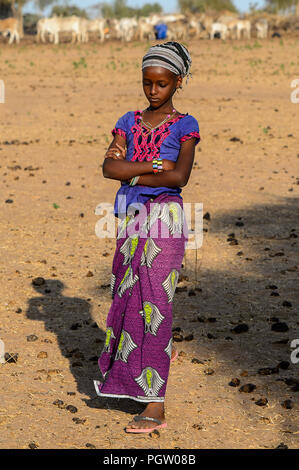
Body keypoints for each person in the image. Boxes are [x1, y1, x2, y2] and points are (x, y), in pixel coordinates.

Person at [94, 41, 200, 434]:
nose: (153, 91)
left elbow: (179, 177)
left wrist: (131, 172)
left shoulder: (186, 126)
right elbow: (108, 168)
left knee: (156, 305)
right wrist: (153, 166)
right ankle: (126, 385)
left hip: (165, 220)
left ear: (178, 82)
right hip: (131, 218)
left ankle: (155, 405)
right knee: (126, 298)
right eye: (147, 83)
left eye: (161, 83)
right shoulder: (127, 120)